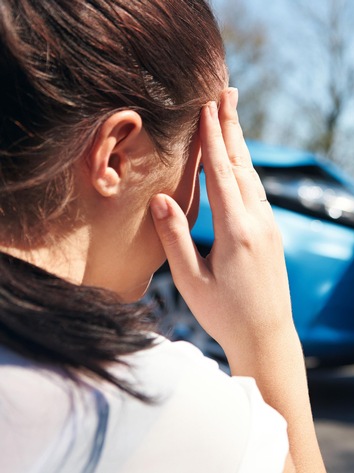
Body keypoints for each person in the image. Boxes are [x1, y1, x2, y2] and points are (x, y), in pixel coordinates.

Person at [0, 1, 326, 472]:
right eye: (199, 165)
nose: (199, 204)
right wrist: (266, 335)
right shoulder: (148, 402)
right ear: (116, 157)